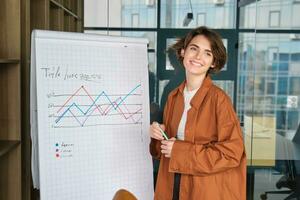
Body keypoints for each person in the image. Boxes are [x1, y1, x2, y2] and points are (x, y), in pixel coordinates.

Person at [149, 26, 246, 200]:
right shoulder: (174, 97)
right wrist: (158, 136)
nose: (198, 57)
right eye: (194, 49)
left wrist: (179, 150)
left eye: (207, 53)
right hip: (173, 185)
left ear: (214, 62)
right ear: (183, 52)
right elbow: (165, 150)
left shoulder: (220, 100)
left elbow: (231, 154)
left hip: (205, 190)